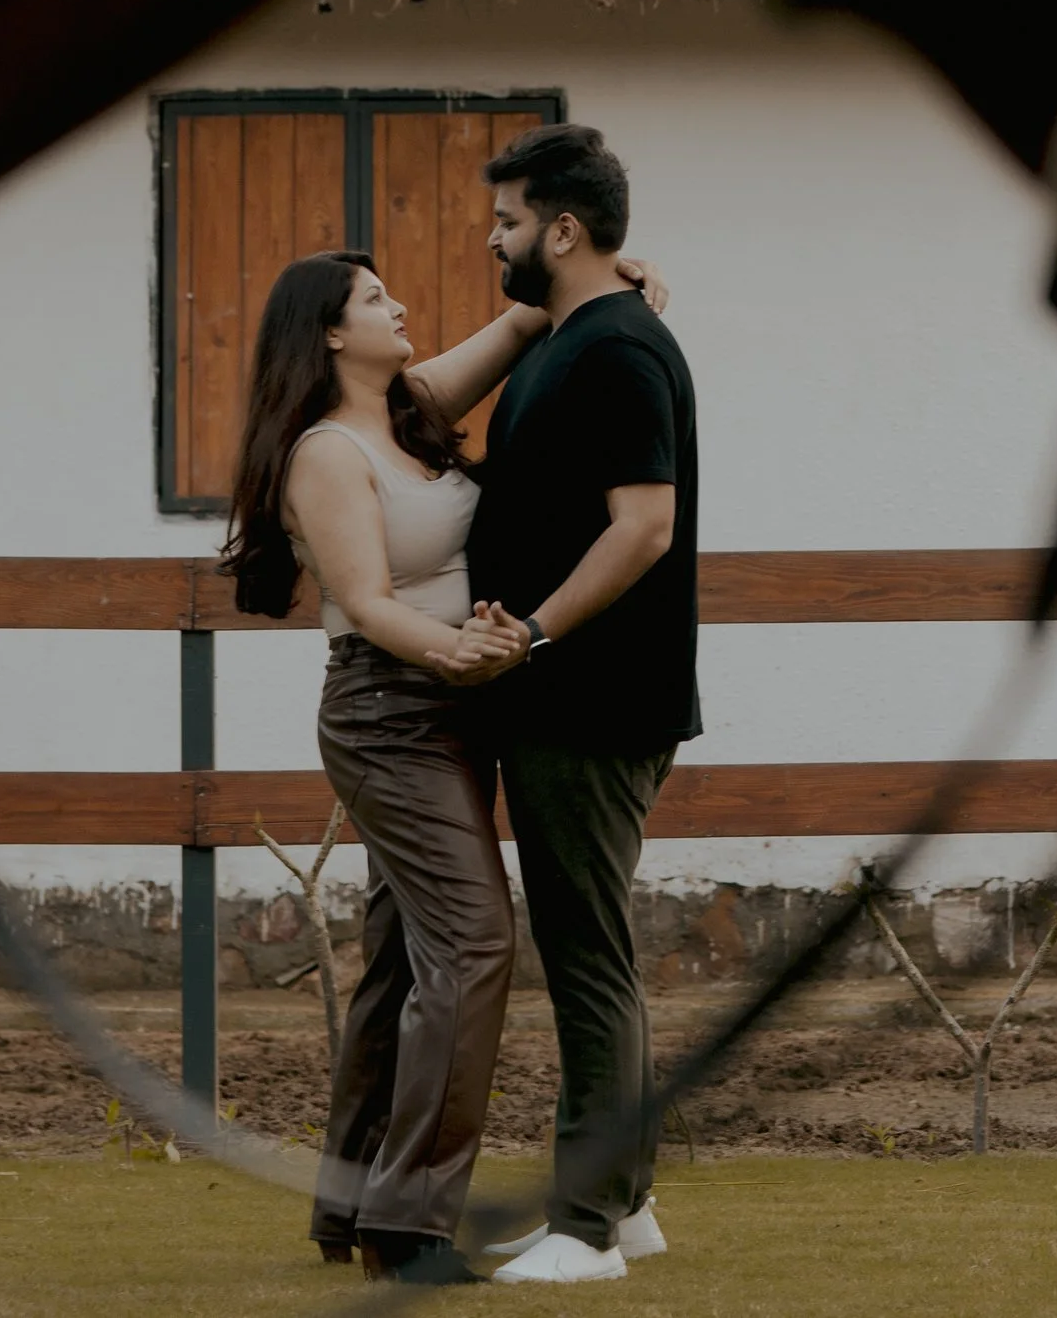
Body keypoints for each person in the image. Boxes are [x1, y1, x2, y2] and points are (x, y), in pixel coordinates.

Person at [223, 249, 535, 1288]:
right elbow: (365, 601)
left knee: (407, 957)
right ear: (328, 331)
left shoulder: (407, 409)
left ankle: (352, 1200)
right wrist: (464, 650)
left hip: (449, 706)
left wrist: (607, 266)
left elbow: (519, 325)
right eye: (373, 297)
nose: (398, 305)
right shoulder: (326, 451)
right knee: (475, 942)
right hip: (389, 715)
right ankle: (406, 1227)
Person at [464, 124, 699, 1289]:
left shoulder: (616, 347)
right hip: (566, 697)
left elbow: (644, 525)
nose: (491, 239)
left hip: (590, 702)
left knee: (588, 961)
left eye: (506, 220)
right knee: (591, 952)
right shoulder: (578, 336)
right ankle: (628, 1205)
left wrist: (537, 632)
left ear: (561, 229)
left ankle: (589, 1227)